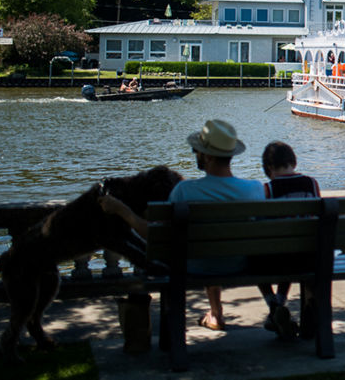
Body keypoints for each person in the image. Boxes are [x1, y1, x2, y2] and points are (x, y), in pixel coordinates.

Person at [99, 119, 262, 332]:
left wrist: (122, 210)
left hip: (192, 268)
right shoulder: (254, 189)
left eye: (197, 151)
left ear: (209, 156)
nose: (195, 154)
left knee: (166, 249)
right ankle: (215, 311)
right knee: (210, 244)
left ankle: (149, 328)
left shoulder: (185, 191)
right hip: (238, 265)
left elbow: (155, 236)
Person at [257, 141, 321, 340]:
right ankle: (279, 306)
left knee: (256, 254)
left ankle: (274, 306)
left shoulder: (268, 190)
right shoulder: (312, 184)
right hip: (309, 258)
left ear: (268, 168)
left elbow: (259, 228)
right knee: (293, 250)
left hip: (278, 260)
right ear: (294, 161)